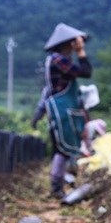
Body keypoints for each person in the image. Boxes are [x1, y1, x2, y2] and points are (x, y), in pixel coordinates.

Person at [43, 23, 92, 199]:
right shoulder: (59, 60)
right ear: (70, 43)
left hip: (63, 108)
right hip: (61, 108)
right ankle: (56, 187)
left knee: (62, 149)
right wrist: (81, 53)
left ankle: (58, 184)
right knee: (62, 149)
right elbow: (86, 72)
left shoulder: (57, 59)